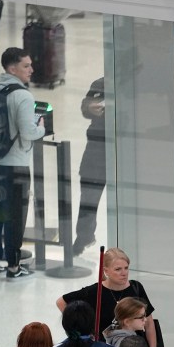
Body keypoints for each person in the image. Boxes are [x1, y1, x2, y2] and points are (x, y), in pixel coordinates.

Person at [0, 47, 46, 278]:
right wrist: (41, 127)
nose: (31, 69)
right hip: (16, 165)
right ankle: (13, 266)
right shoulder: (22, 96)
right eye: (26, 66)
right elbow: (28, 132)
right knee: (15, 217)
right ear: (12, 69)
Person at [57, 247, 161, 347]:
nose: (124, 273)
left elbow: (149, 323)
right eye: (118, 269)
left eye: (126, 268)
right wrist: (84, 329)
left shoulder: (136, 288)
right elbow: (61, 302)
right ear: (106, 271)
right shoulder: (94, 292)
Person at [72, 77, 106, 255]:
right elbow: (86, 106)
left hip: (126, 147)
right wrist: (90, 108)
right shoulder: (101, 83)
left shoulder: (137, 83)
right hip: (97, 148)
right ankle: (84, 236)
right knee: (89, 195)